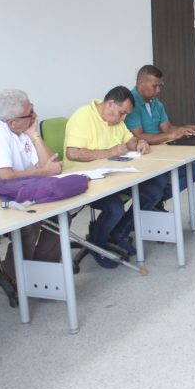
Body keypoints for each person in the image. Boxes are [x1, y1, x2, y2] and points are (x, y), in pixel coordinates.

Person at [0, 89, 63, 285]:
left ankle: (39, 273)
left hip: (15, 193)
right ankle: (15, 276)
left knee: (60, 213)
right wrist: (44, 172)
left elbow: (51, 164)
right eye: (30, 114)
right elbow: (4, 177)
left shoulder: (21, 130)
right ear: (12, 121)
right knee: (30, 220)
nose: (34, 116)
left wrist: (34, 134)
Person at [64, 86, 154, 268]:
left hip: (112, 175)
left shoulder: (115, 120)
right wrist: (108, 152)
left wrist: (140, 142)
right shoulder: (82, 117)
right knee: (114, 208)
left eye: (126, 115)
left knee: (153, 189)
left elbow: (129, 140)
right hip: (84, 179)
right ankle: (98, 246)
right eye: (122, 114)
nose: (123, 119)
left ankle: (118, 231)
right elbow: (73, 153)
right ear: (110, 104)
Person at [124, 64, 195, 205]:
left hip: (159, 153)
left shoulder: (156, 103)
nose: (158, 90)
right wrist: (170, 136)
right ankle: (148, 208)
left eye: (160, 86)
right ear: (140, 83)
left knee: (193, 170)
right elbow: (138, 136)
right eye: (154, 86)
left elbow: (167, 128)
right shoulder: (130, 104)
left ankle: (154, 204)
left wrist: (186, 129)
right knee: (160, 180)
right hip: (142, 156)